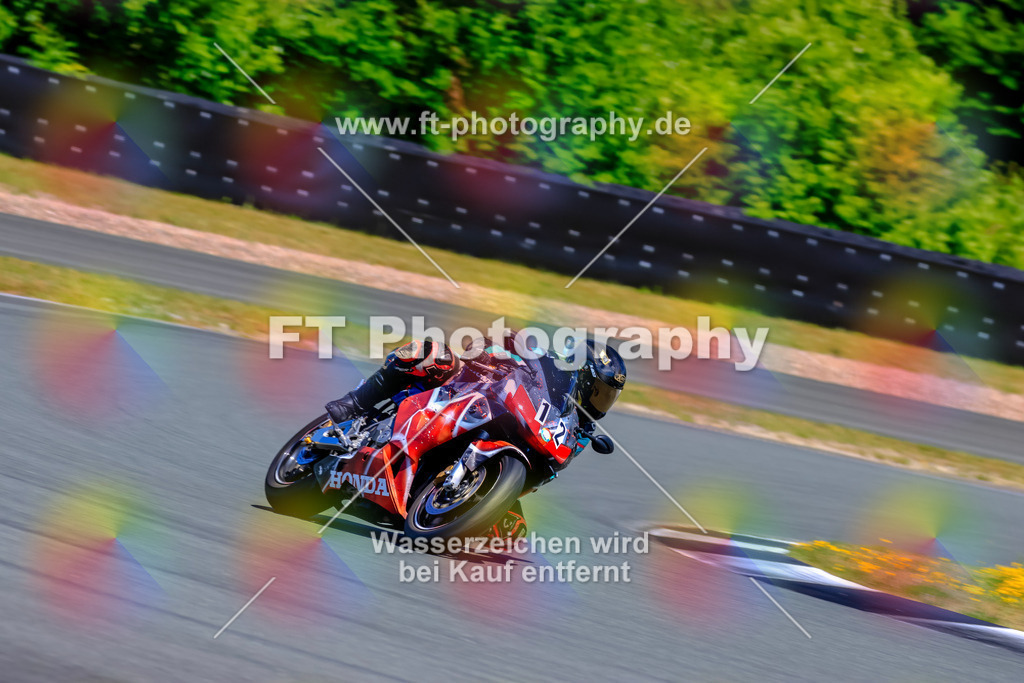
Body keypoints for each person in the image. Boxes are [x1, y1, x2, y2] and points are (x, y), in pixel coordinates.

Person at [324, 333, 627, 539]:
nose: (602, 402)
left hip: (504, 451)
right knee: (430, 354)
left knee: (512, 533)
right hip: (470, 392)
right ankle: (356, 402)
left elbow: (545, 472)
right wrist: (492, 349)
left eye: (609, 396)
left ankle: (443, 498)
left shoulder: (580, 432)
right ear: (582, 377)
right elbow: (502, 341)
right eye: (599, 391)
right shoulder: (546, 363)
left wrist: (501, 499)